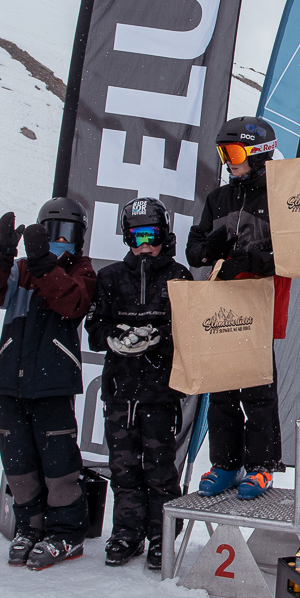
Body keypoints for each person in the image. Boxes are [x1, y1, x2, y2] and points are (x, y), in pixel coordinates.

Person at [0, 197, 96, 570]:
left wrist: (46, 263)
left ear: (79, 237)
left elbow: (73, 303)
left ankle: (66, 532)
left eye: (67, 233)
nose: (60, 241)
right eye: (52, 232)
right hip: (11, 380)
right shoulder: (21, 270)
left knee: (59, 464)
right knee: (18, 463)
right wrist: (1, 256)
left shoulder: (81, 270)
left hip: (53, 383)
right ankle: (30, 526)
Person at [185, 116, 291, 500]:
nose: (228, 162)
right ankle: (226, 463)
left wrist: (250, 260)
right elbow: (194, 250)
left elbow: (293, 251)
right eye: (223, 153)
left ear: (258, 154)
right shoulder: (219, 199)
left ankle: (262, 466)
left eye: (233, 153)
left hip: (258, 301)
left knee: (258, 389)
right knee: (222, 389)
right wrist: (210, 248)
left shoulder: (279, 196)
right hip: (222, 303)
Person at [86, 197, 192, 570]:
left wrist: (158, 336)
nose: (144, 245)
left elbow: (190, 330)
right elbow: (93, 327)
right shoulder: (110, 276)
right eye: (136, 237)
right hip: (120, 392)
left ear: (165, 234)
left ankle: (162, 536)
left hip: (161, 392)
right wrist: (113, 336)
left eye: (152, 236)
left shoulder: (179, 276)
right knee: (123, 468)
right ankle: (126, 532)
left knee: (160, 469)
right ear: (126, 238)